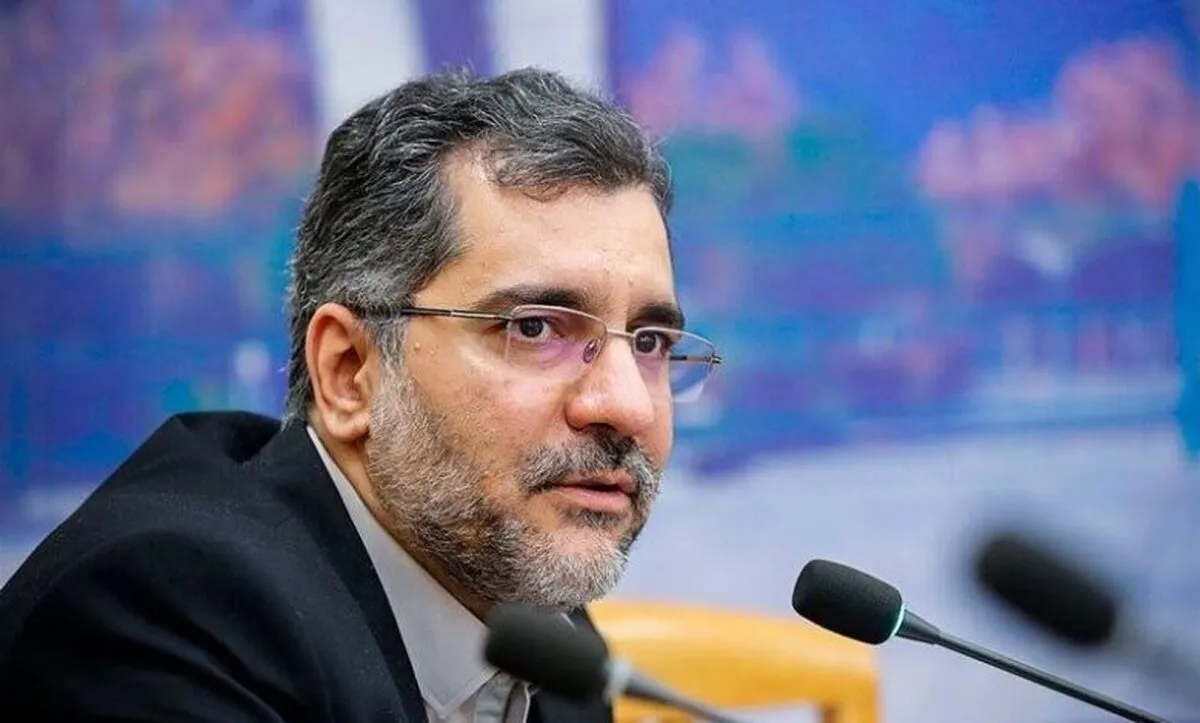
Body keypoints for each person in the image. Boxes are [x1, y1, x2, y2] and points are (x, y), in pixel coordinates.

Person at [0, 67, 722, 722]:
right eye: (534, 328)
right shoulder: (169, 614)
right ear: (349, 372)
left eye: (649, 341)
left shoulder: (546, 638)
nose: (627, 406)